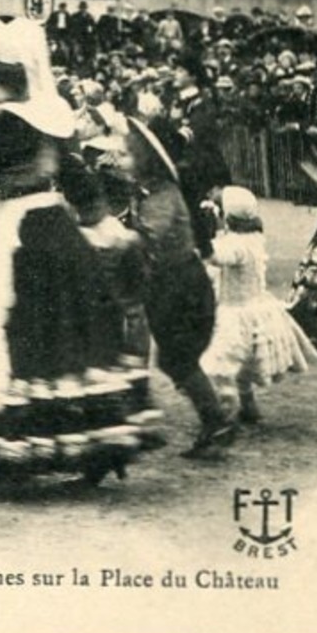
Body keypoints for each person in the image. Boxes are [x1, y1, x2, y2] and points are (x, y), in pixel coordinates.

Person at [0, 14, 159, 484]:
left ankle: (21, 444)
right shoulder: (49, 121)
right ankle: (96, 442)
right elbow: (79, 180)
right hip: (58, 229)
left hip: (16, 232)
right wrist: (105, 226)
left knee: (15, 329)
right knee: (74, 331)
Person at [122, 118, 233, 458]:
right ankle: (215, 415)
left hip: (179, 284)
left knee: (177, 357)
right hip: (166, 282)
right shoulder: (149, 192)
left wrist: (115, 237)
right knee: (172, 357)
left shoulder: (163, 196)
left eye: (129, 154)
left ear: (147, 160)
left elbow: (147, 236)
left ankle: (216, 419)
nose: (123, 159)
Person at [201, 187, 317, 425]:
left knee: (219, 364)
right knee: (243, 365)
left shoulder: (235, 245)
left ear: (227, 216)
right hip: (256, 308)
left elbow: (214, 257)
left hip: (235, 313)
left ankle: (226, 411)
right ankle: (248, 405)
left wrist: (201, 231)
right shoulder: (253, 239)